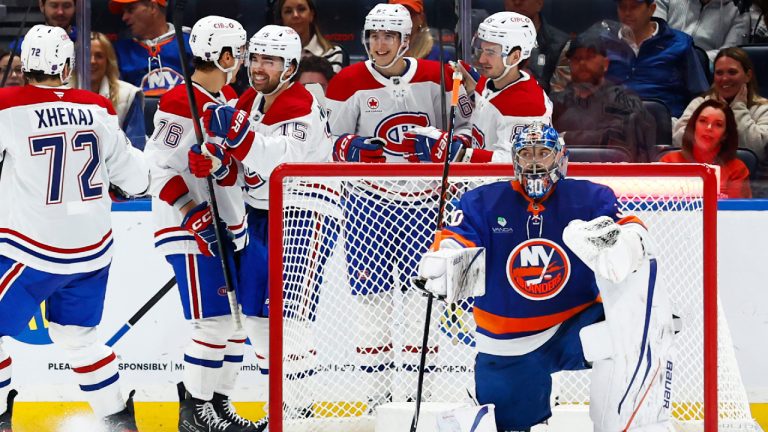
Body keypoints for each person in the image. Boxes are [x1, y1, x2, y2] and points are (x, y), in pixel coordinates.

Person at [418, 122, 675, 431]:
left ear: (560, 157)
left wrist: (628, 242)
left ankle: (623, 426)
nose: (535, 161)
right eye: (526, 153)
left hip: (575, 325)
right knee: (507, 426)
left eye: (544, 153)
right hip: (508, 340)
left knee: (634, 328)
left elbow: (630, 226)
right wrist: (446, 258)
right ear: (514, 159)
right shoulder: (482, 202)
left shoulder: (589, 198)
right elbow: (458, 238)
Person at [0, 24, 149, 432]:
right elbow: (137, 180)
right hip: (91, 251)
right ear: (66, 65)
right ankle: (117, 419)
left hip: (31, 249)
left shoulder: (6, 104)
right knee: (78, 339)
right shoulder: (97, 106)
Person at [325, 2, 473, 408]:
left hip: (427, 206)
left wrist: (450, 145)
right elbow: (323, 144)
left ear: (406, 40)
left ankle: (418, 396)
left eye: (388, 36)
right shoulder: (347, 81)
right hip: (367, 206)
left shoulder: (440, 76)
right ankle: (377, 399)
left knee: (421, 301)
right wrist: (348, 148)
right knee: (372, 305)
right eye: (373, 35)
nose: (379, 43)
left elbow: (469, 133)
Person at [190, 23, 335, 419]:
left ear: (289, 67)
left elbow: (275, 161)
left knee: (290, 319)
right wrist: (217, 164)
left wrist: (236, 138)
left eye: (269, 60)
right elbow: (241, 170)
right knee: (255, 316)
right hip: (260, 213)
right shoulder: (250, 99)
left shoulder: (300, 104)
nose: (258, 67)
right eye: (254, 57)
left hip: (304, 212)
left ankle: (299, 413)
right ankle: (281, 408)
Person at [143, 16, 267, 432]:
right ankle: (195, 412)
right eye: (242, 52)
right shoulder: (181, 100)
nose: (245, 60)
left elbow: (228, 166)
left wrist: (221, 166)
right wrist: (192, 213)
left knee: (233, 324)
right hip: (191, 228)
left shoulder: (224, 96)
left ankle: (217, 403)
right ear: (225, 55)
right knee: (213, 322)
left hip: (227, 227)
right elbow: (156, 168)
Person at [448, 11, 552, 163]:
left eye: (490, 52)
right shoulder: (490, 81)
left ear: (515, 56)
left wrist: (459, 153)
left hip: (501, 186)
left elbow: (514, 163)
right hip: (479, 182)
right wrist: (472, 91)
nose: (482, 59)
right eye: (482, 50)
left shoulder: (526, 106)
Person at [673, 47, 768, 191]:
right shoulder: (700, 104)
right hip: (696, 183)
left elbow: (756, 149)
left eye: (732, 72)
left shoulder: (763, 108)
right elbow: (679, 139)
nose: (724, 78)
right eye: (719, 73)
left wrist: (738, 108)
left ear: (748, 75)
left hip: (751, 185)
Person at [551, 32, 654, 162]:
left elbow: (620, 139)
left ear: (605, 63)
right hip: (564, 174)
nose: (582, 63)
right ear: (569, 64)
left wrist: (565, 137)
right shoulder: (554, 103)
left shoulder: (623, 99)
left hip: (614, 174)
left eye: (590, 57)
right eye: (576, 58)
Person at [605, 0, 710, 118]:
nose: (627, 13)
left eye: (634, 7)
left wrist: (682, 126)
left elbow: (700, 96)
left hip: (665, 126)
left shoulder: (679, 44)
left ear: (652, 9)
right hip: (614, 125)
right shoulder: (606, 44)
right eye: (622, 7)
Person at [662, 99, 752, 198]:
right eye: (703, 121)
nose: (709, 128)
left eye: (718, 124)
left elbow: (737, 211)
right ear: (694, 126)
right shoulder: (669, 162)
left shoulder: (737, 170)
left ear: (725, 135)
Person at [108, 0, 192, 96]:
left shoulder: (192, 44)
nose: (124, 17)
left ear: (152, 7)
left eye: (130, 10)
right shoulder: (118, 51)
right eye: (123, 12)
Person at [90, 32, 146, 150]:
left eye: (99, 56)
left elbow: (136, 148)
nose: (92, 61)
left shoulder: (128, 94)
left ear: (108, 61)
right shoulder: (62, 94)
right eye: (86, 55)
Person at [504, 0, 569, 93]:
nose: (517, 2)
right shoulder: (489, 39)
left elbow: (560, 97)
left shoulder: (561, 45)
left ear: (539, 3)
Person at [653, 0, 748, 62]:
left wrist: (693, 58)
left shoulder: (738, 10)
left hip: (705, 71)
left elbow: (731, 53)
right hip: (662, 59)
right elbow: (653, 33)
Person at [275, 0, 345, 73]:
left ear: (311, 15)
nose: (295, 15)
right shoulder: (271, 54)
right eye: (288, 11)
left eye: (301, 9)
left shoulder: (331, 53)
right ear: (281, 19)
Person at [389, 0, 454, 61]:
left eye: (409, 13)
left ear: (421, 18)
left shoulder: (440, 57)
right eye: (397, 14)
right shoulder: (381, 52)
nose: (404, 19)